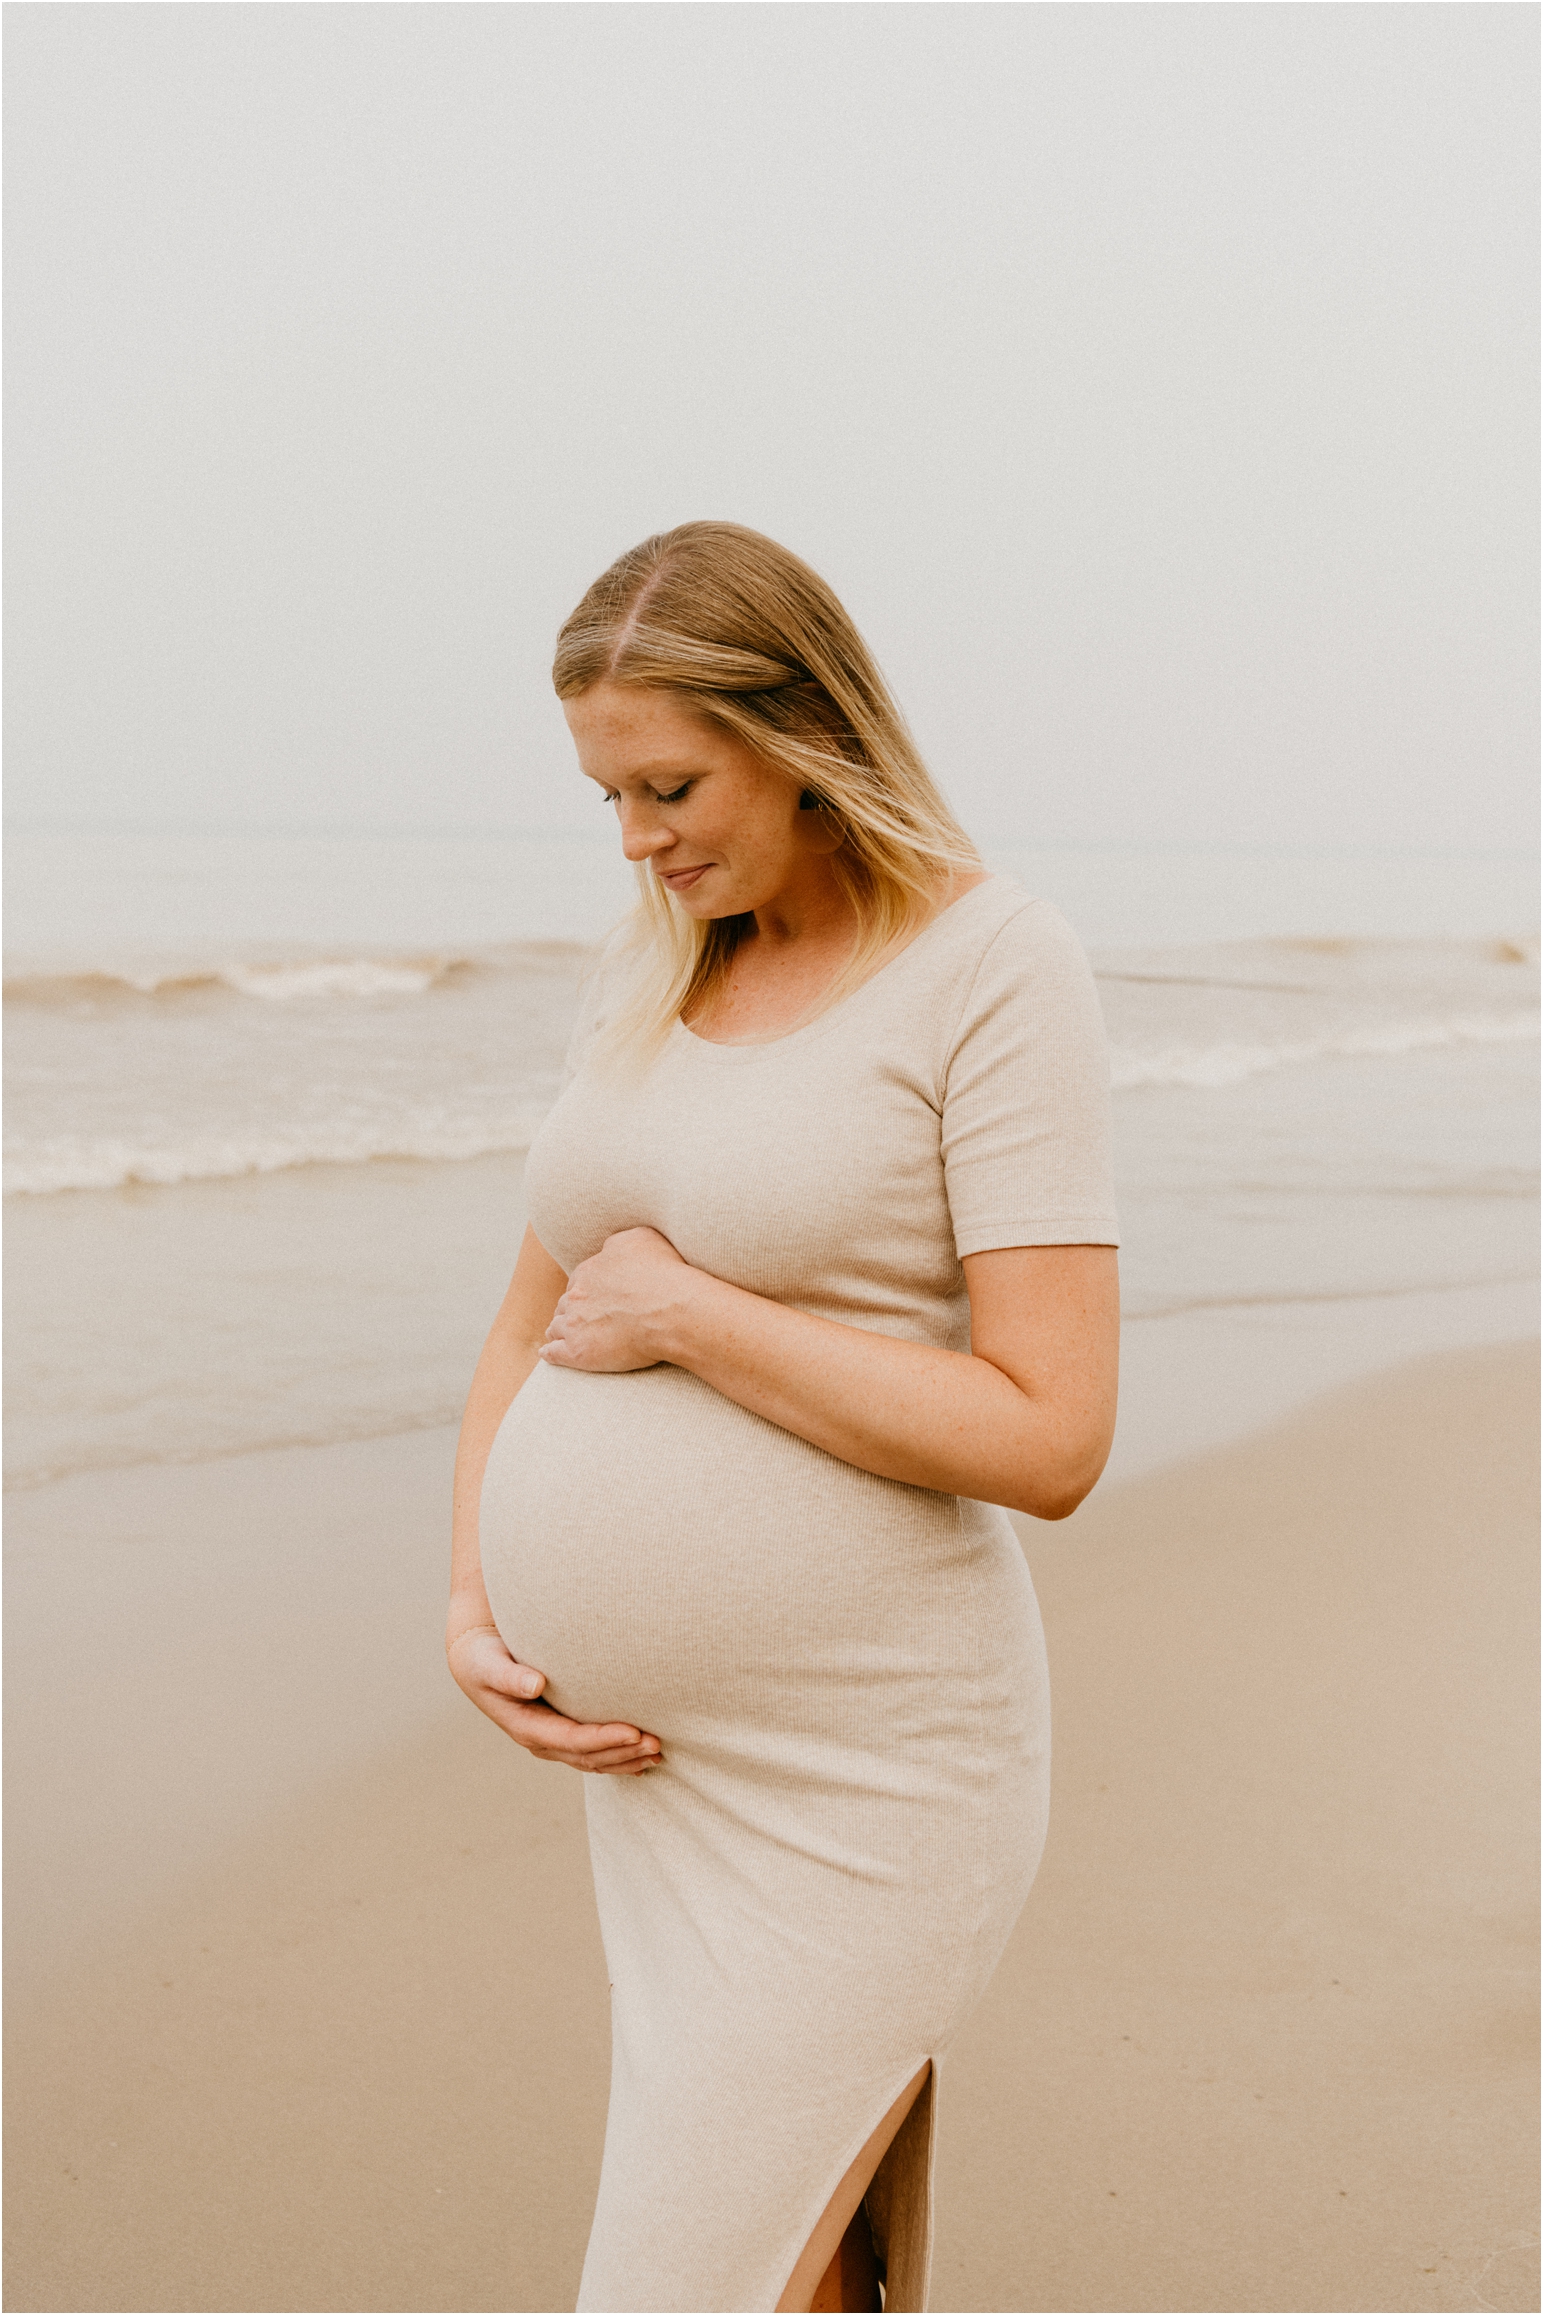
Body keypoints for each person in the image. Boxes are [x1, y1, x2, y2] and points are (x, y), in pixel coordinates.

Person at [447, 522, 1121, 2314]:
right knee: (798, 2281)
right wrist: (474, 1603)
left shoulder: (995, 966)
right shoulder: (665, 964)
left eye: (669, 785)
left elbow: (1052, 1434)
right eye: (605, 797)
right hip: (663, 1793)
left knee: (685, 2282)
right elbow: (525, 1320)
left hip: (869, 1774)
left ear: (806, 735)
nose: (636, 841)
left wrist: (700, 1316)